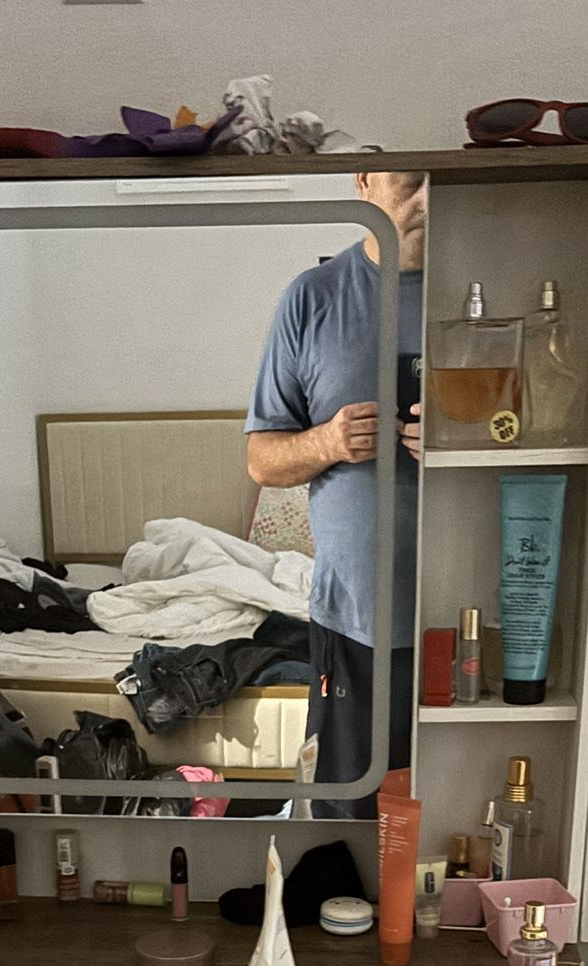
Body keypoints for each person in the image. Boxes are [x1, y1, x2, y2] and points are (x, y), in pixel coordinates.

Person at [245, 171, 425, 817]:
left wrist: (469, 441)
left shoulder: (487, 290)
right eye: (411, 182)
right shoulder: (313, 297)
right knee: (345, 821)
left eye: (442, 182)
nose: (428, 200)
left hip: (469, 620)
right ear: (365, 182)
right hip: (354, 620)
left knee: (455, 819)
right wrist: (327, 442)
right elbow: (262, 462)